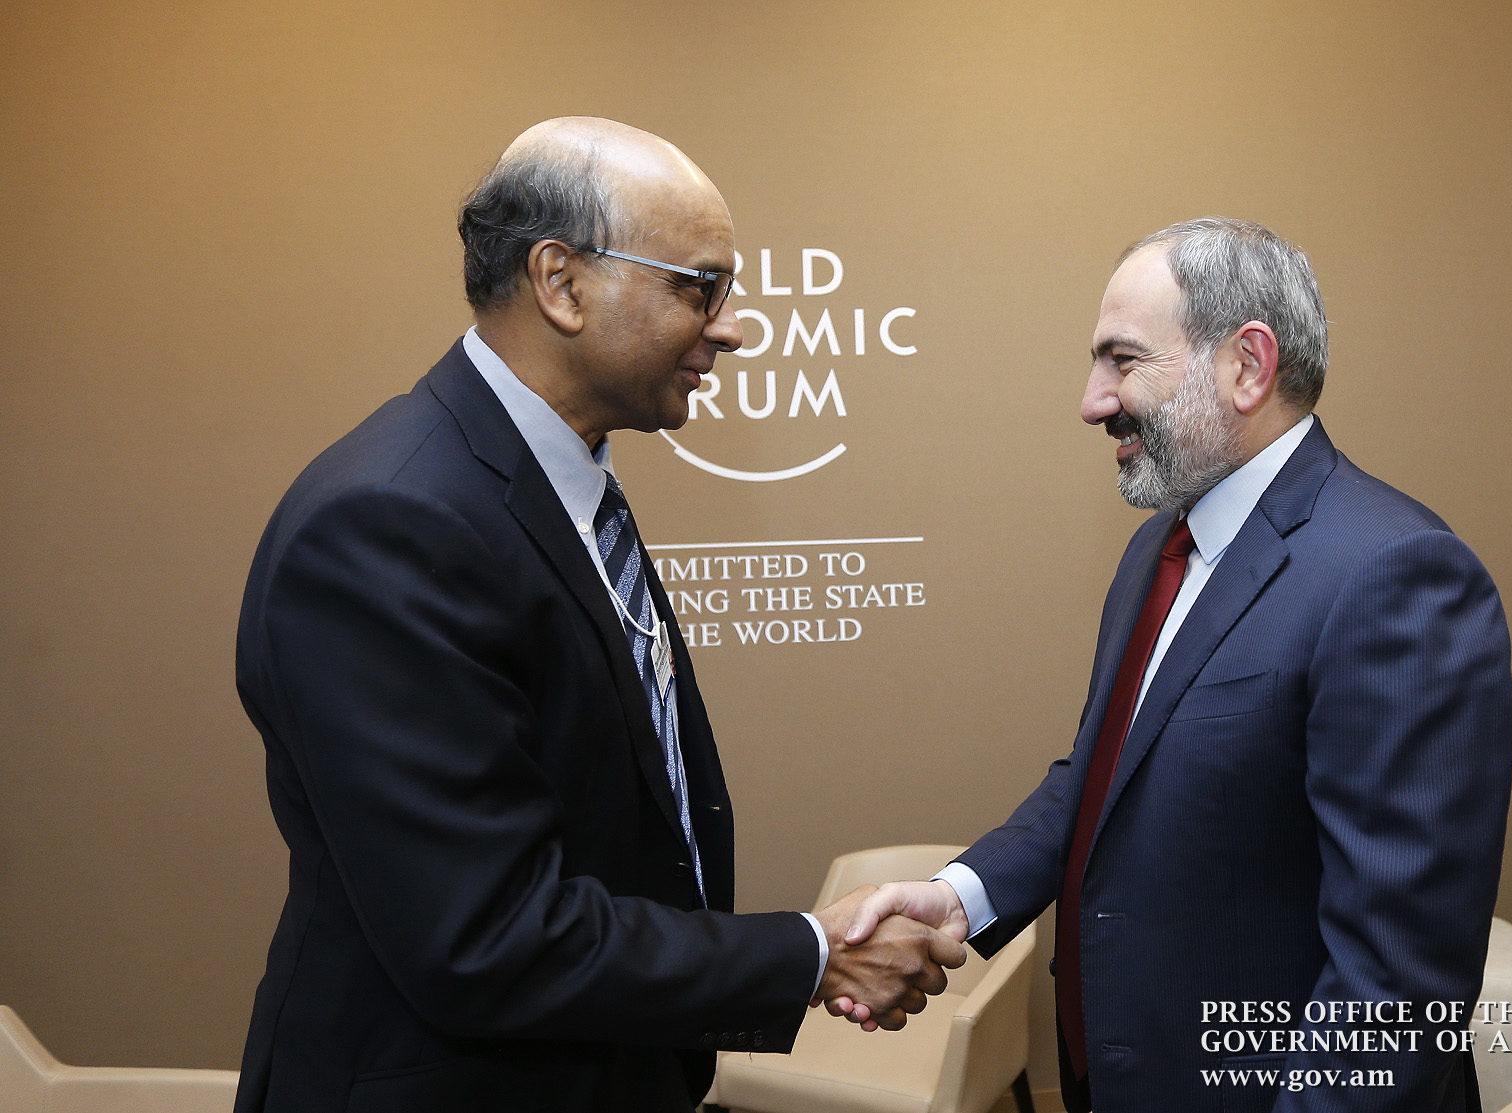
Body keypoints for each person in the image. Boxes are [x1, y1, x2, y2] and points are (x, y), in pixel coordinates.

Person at [231, 117, 963, 1113]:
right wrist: (809, 954)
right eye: (698, 288)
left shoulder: (552, 489)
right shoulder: (391, 522)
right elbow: (485, 937)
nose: (731, 328)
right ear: (561, 283)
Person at [843, 218, 1512, 1112]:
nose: (1093, 401)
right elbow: (1103, 775)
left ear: (1247, 364)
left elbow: (1399, 976)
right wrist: (965, 897)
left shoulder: (1395, 573)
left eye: (1122, 360)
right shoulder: (1155, 552)